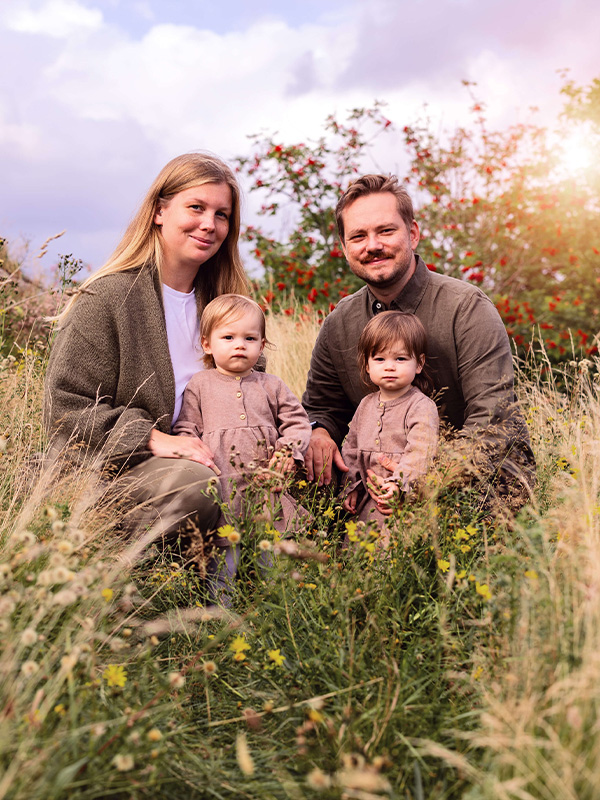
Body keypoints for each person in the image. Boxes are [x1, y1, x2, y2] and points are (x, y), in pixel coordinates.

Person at [43, 152, 251, 547]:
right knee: (198, 486)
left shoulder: (227, 306)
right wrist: (152, 438)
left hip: (214, 455)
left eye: (222, 214)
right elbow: (64, 406)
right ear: (159, 211)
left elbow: (251, 387)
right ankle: (141, 580)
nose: (209, 224)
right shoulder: (107, 298)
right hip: (116, 470)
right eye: (196, 207)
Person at [303, 174, 534, 503]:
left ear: (412, 233)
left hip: (476, 489)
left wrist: (415, 479)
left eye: (385, 231)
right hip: (376, 492)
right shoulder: (339, 323)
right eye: (358, 236)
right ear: (344, 248)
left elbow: (492, 421)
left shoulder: (466, 308)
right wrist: (319, 433)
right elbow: (321, 407)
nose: (372, 246)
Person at [173, 294, 312, 594]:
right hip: (225, 489)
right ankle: (221, 616)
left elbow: (298, 422)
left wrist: (288, 449)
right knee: (224, 566)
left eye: (250, 338)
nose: (240, 344)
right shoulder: (199, 385)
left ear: (261, 345)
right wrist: (192, 452)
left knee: (273, 561)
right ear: (208, 344)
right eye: (229, 337)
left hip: (267, 490)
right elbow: (186, 427)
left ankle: (278, 613)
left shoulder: (271, 385)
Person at [342, 311, 439, 539]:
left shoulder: (421, 406)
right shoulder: (365, 405)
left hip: (402, 502)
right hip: (366, 503)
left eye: (400, 359)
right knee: (357, 555)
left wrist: (400, 484)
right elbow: (351, 449)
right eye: (380, 359)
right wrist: (351, 487)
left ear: (419, 364)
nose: (389, 367)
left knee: (392, 554)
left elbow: (420, 452)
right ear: (367, 364)